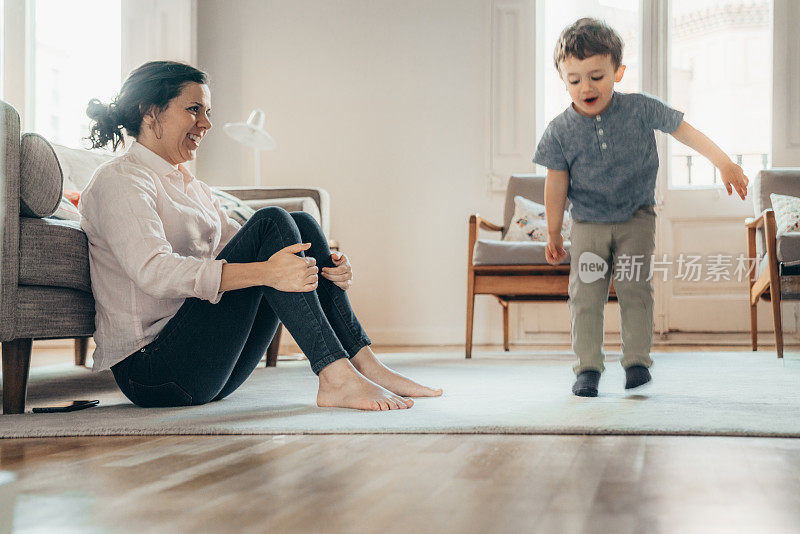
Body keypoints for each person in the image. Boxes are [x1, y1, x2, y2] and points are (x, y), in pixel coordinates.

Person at [79, 60, 442, 410]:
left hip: (206, 368)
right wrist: (268, 273)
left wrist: (323, 267)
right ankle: (335, 375)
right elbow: (153, 270)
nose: (206, 123)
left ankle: (364, 362)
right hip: (153, 372)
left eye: (208, 112)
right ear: (150, 111)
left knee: (297, 224)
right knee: (271, 222)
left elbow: (245, 249)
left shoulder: (193, 188)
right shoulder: (121, 180)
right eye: (194, 109)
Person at [533, 18, 749, 397]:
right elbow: (556, 183)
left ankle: (636, 362)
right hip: (587, 224)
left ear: (618, 71)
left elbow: (685, 130)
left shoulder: (640, 108)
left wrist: (723, 162)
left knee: (636, 290)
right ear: (563, 79)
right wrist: (554, 232)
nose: (586, 87)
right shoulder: (559, 131)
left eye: (597, 76)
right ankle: (587, 368)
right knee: (586, 297)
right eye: (575, 79)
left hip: (636, 218)